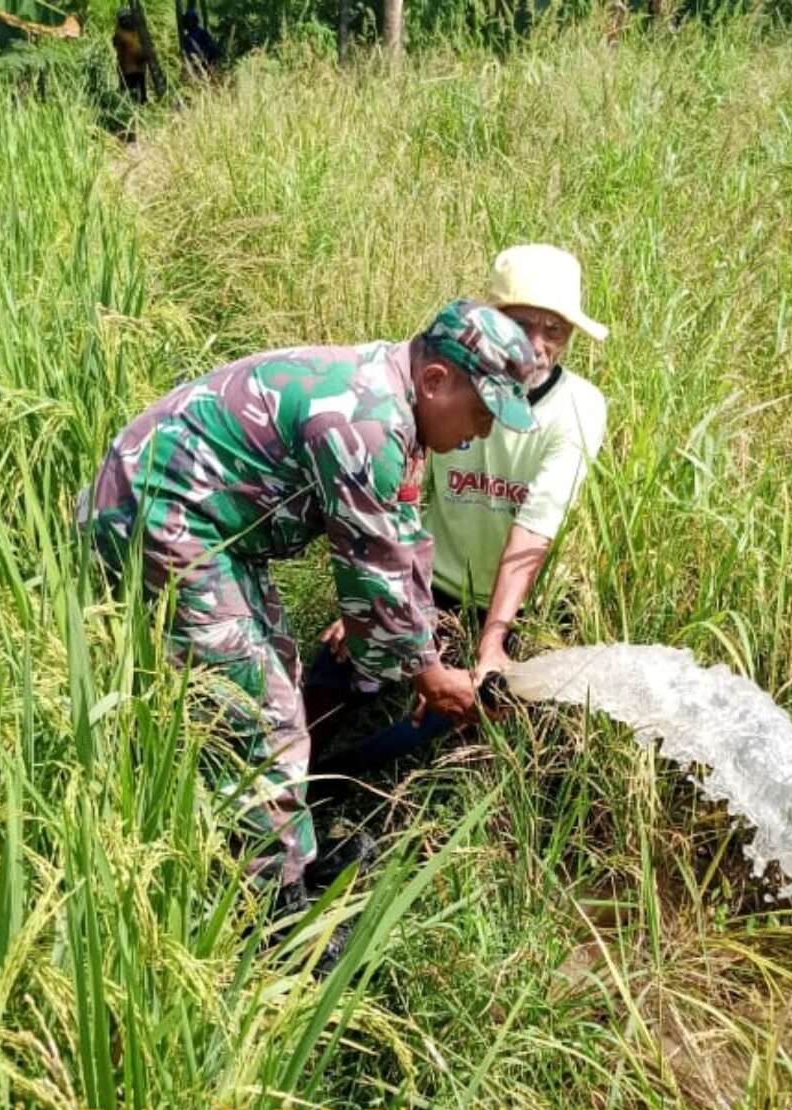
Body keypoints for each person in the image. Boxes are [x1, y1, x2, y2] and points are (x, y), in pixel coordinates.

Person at [75, 300, 544, 909]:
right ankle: (267, 911)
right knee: (263, 714)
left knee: (276, 679)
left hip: (212, 528)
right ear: (436, 381)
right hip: (159, 515)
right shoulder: (368, 424)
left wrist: (424, 652)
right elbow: (374, 577)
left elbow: (403, 548)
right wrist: (429, 675)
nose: (481, 432)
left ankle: (286, 854)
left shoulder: (396, 401)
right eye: (482, 413)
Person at [303, 244, 608, 784]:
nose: (537, 347)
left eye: (554, 331)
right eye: (521, 324)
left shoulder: (578, 409)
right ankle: (291, 782)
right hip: (430, 577)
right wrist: (373, 604)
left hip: (507, 599)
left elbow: (532, 533)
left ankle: (349, 790)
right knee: (339, 669)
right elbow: (396, 499)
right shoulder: (446, 383)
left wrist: (492, 640)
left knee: (450, 719)